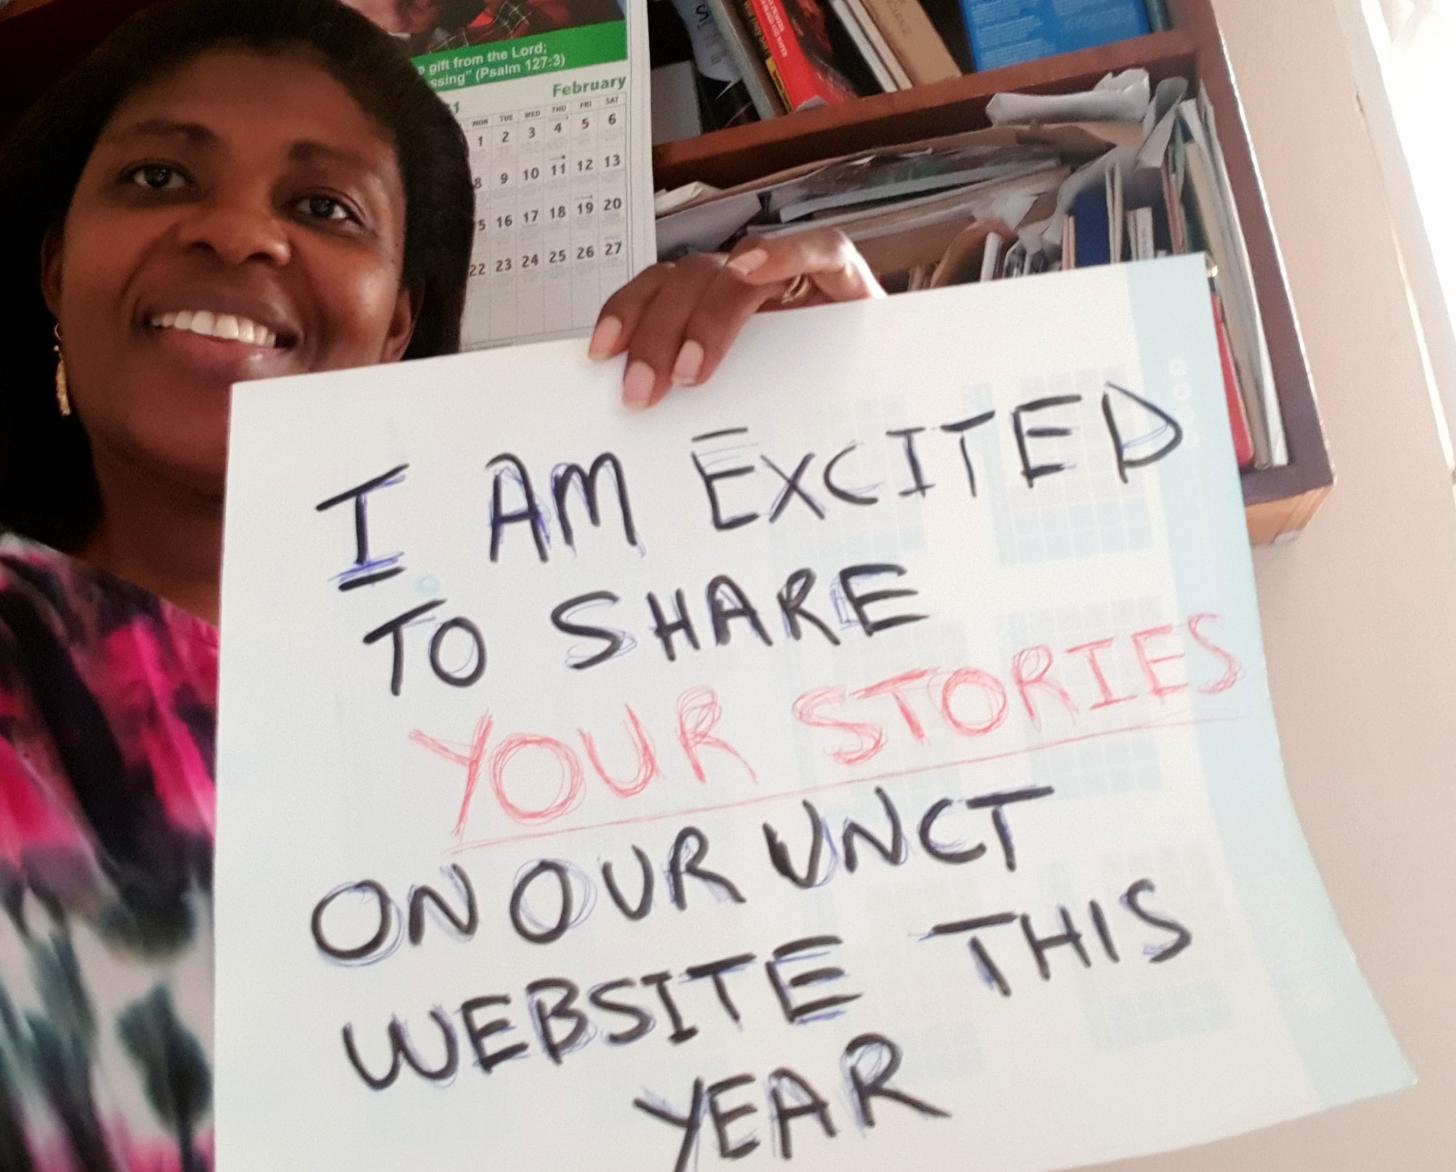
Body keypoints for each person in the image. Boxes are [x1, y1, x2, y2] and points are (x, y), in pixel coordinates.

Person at [0, 0, 881, 1167]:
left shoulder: (574, 695)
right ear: (55, 265)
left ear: (399, 320)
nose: (233, 234)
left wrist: (865, 448)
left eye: (322, 208)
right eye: (159, 177)